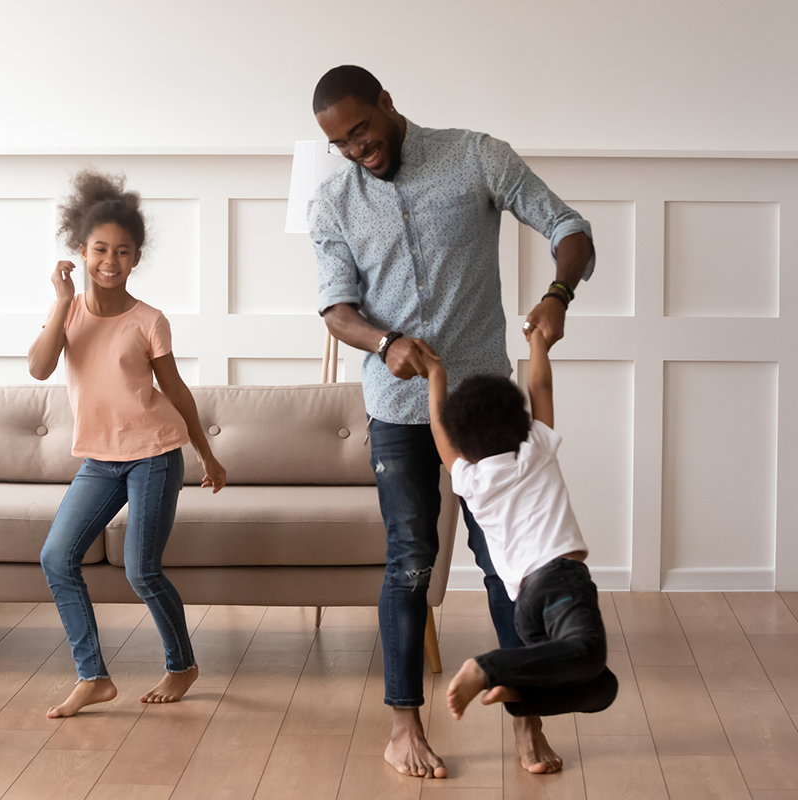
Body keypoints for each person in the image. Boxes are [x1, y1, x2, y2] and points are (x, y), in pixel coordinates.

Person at [307, 65, 596, 777]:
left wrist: (558, 294)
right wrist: (384, 342)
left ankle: (526, 719)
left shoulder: (475, 156)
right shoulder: (333, 201)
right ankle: (404, 726)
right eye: (340, 143)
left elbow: (570, 228)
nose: (355, 150)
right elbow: (336, 309)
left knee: (511, 569)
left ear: (386, 103)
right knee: (408, 562)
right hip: (395, 408)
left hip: (482, 408)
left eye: (361, 131)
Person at [29, 170, 227, 718]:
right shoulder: (67, 313)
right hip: (100, 459)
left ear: (136, 257)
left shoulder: (149, 321)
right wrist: (60, 302)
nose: (109, 261)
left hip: (155, 455)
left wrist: (205, 455)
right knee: (56, 558)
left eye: (122, 251)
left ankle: (182, 663)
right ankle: (92, 676)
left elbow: (178, 393)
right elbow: (40, 368)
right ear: (81, 251)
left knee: (142, 570)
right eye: (99, 249)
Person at [428, 327, 618, 721]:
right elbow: (540, 386)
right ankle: (488, 667)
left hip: (526, 605)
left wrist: (435, 376)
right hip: (559, 580)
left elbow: (438, 430)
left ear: (463, 443)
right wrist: (537, 342)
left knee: (601, 686)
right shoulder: (535, 451)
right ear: (520, 422)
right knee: (588, 651)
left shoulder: (470, 481)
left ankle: (515, 692)